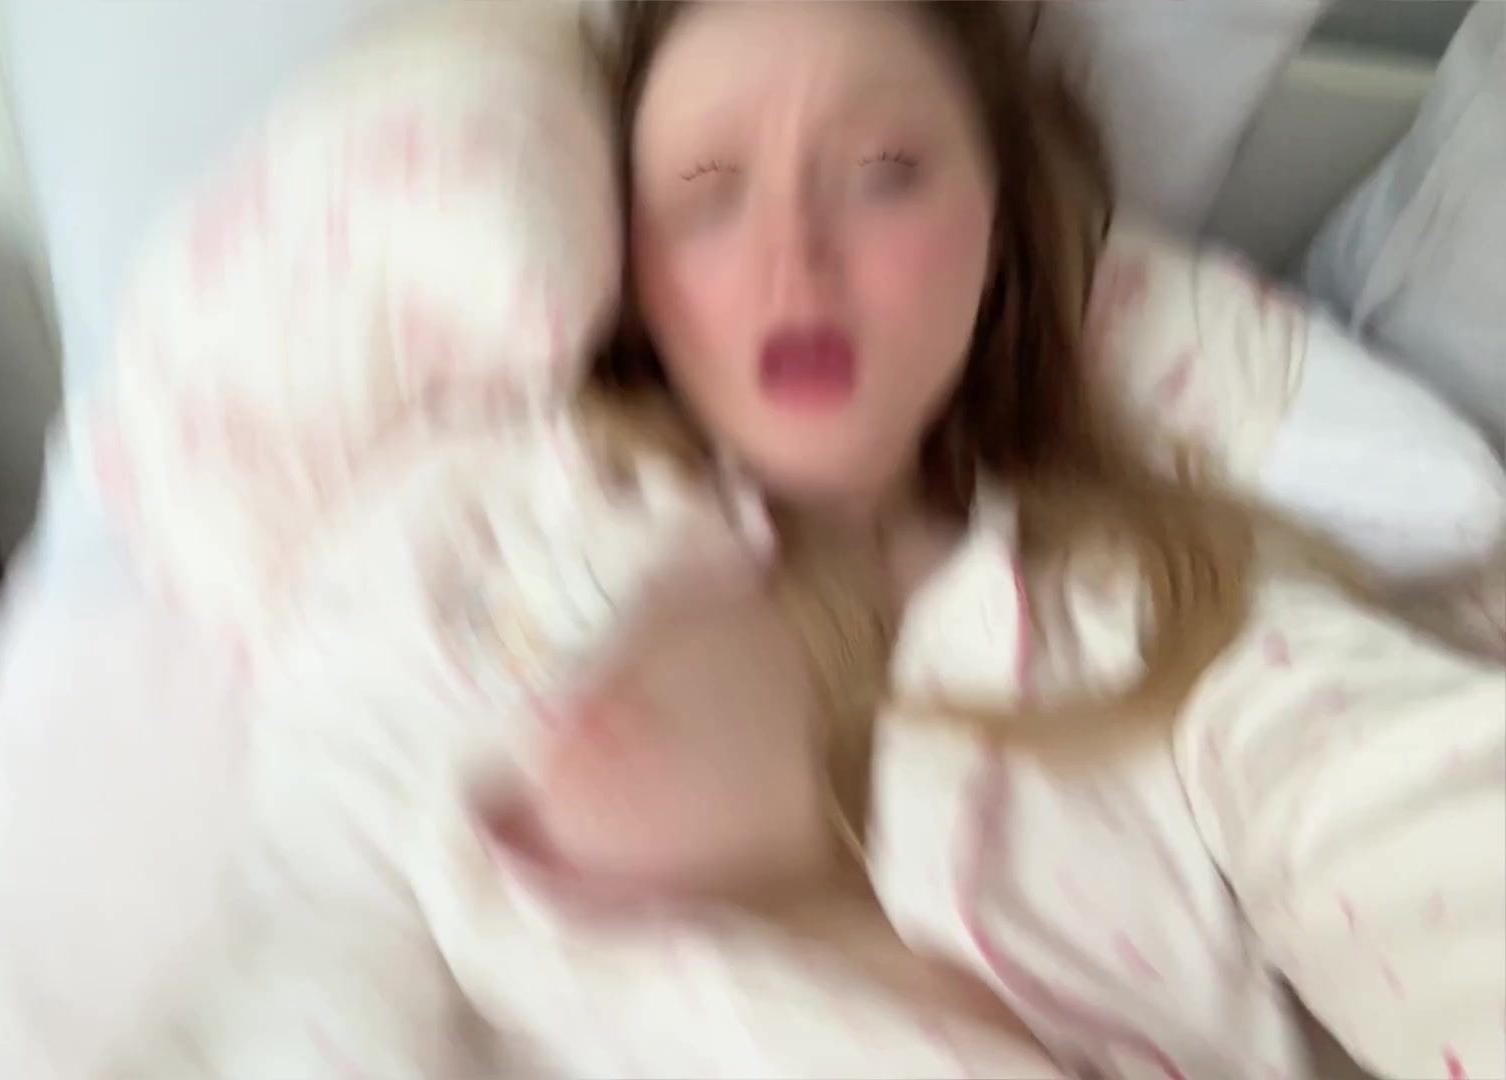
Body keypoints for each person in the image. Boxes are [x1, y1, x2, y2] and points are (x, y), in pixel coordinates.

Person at [488, 3, 1503, 1078]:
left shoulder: (1178, 622)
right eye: (706, 193)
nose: (796, 260)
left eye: (885, 173)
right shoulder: (493, 521)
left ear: (999, 235)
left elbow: (1423, 822)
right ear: (622, 266)